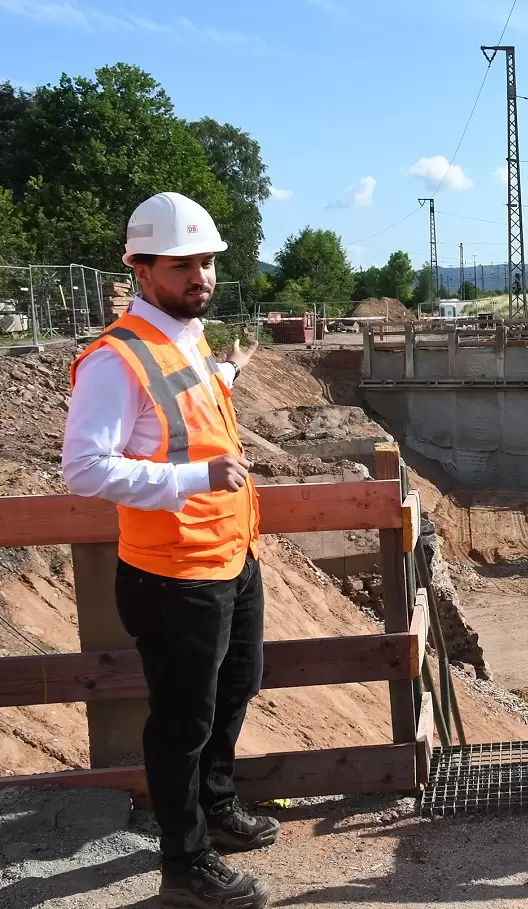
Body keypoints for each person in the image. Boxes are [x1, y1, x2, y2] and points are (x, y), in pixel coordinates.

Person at [63, 192, 276, 909]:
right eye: (184, 264)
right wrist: (193, 477)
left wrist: (232, 374)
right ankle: (186, 864)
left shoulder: (187, 336)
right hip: (174, 572)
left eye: (208, 261)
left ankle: (216, 805)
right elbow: (84, 467)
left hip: (229, 553)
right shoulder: (114, 359)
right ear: (141, 268)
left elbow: (181, 407)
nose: (202, 276)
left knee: (240, 683)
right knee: (181, 723)